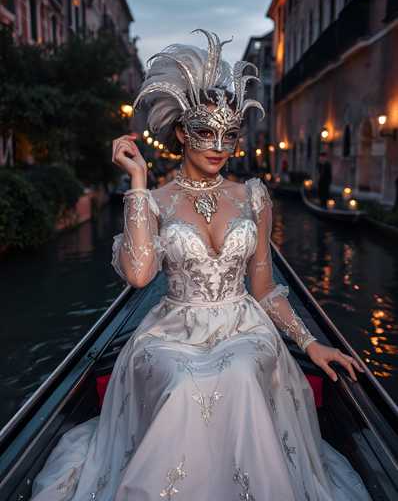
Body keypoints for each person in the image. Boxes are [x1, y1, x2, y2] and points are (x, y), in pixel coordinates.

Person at [30, 29, 370, 501]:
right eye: (206, 132)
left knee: (241, 370)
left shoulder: (253, 195)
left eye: (229, 134)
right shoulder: (153, 201)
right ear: (179, 133)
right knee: (185, 377)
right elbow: (139, 276)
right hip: (172, 332)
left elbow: (265, 286)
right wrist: (137, 181)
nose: (219, 145)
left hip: (242, 325)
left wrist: (311, 344)